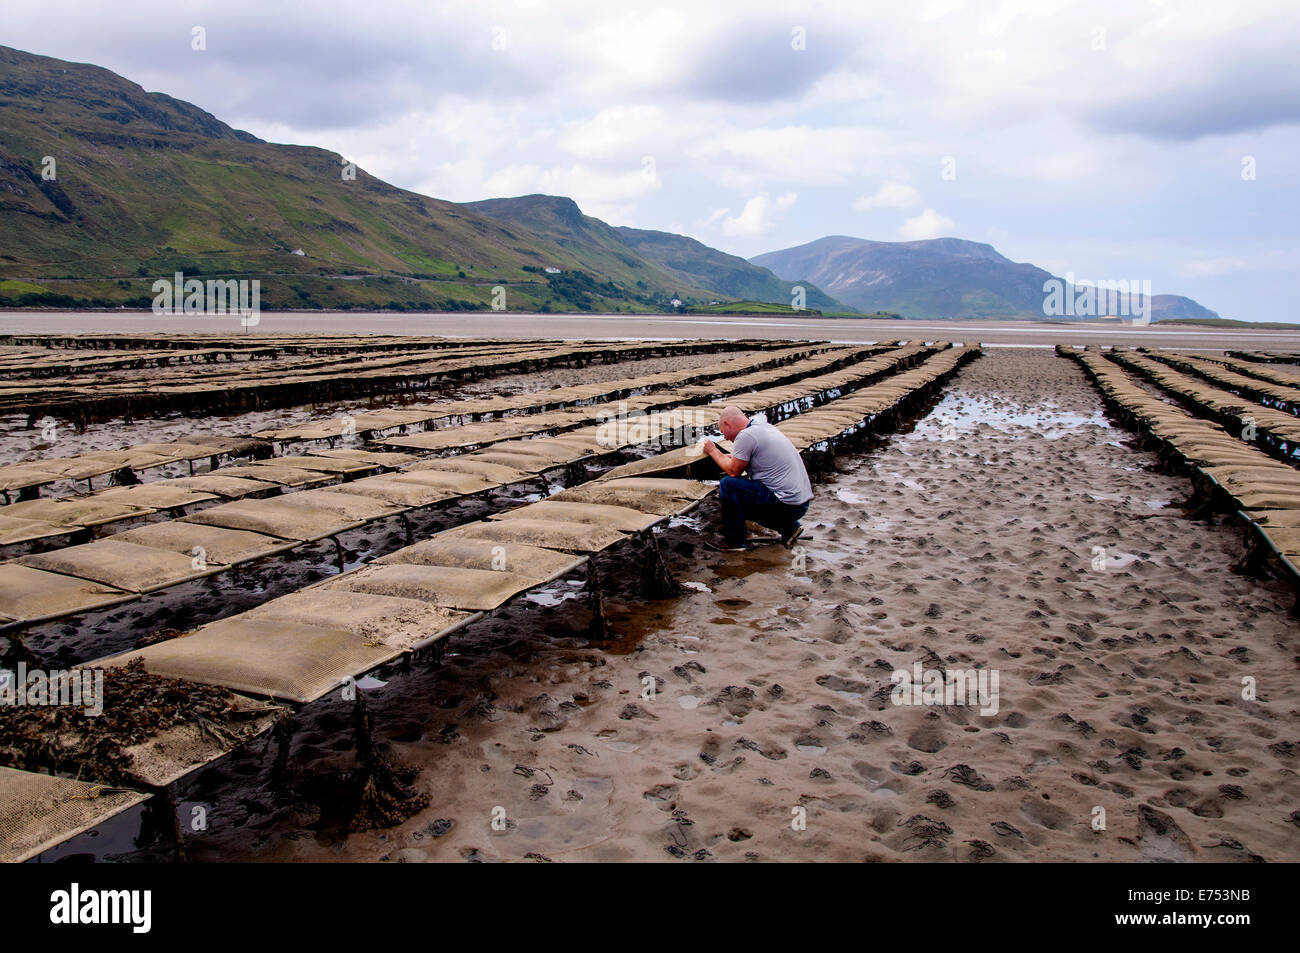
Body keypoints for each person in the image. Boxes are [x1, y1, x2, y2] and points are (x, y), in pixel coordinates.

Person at [701, 406, 813, 551]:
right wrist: (721, 457)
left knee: (728, 485)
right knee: (737, 502)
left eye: (723, 432)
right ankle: (789, 527)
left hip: (787, 504)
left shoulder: (745, 436)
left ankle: (735, 542)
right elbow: (740, 459)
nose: (725, 438)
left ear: (728, 424)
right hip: (800, 502)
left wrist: (712, 450)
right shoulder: (761, 427)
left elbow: (733, 471)